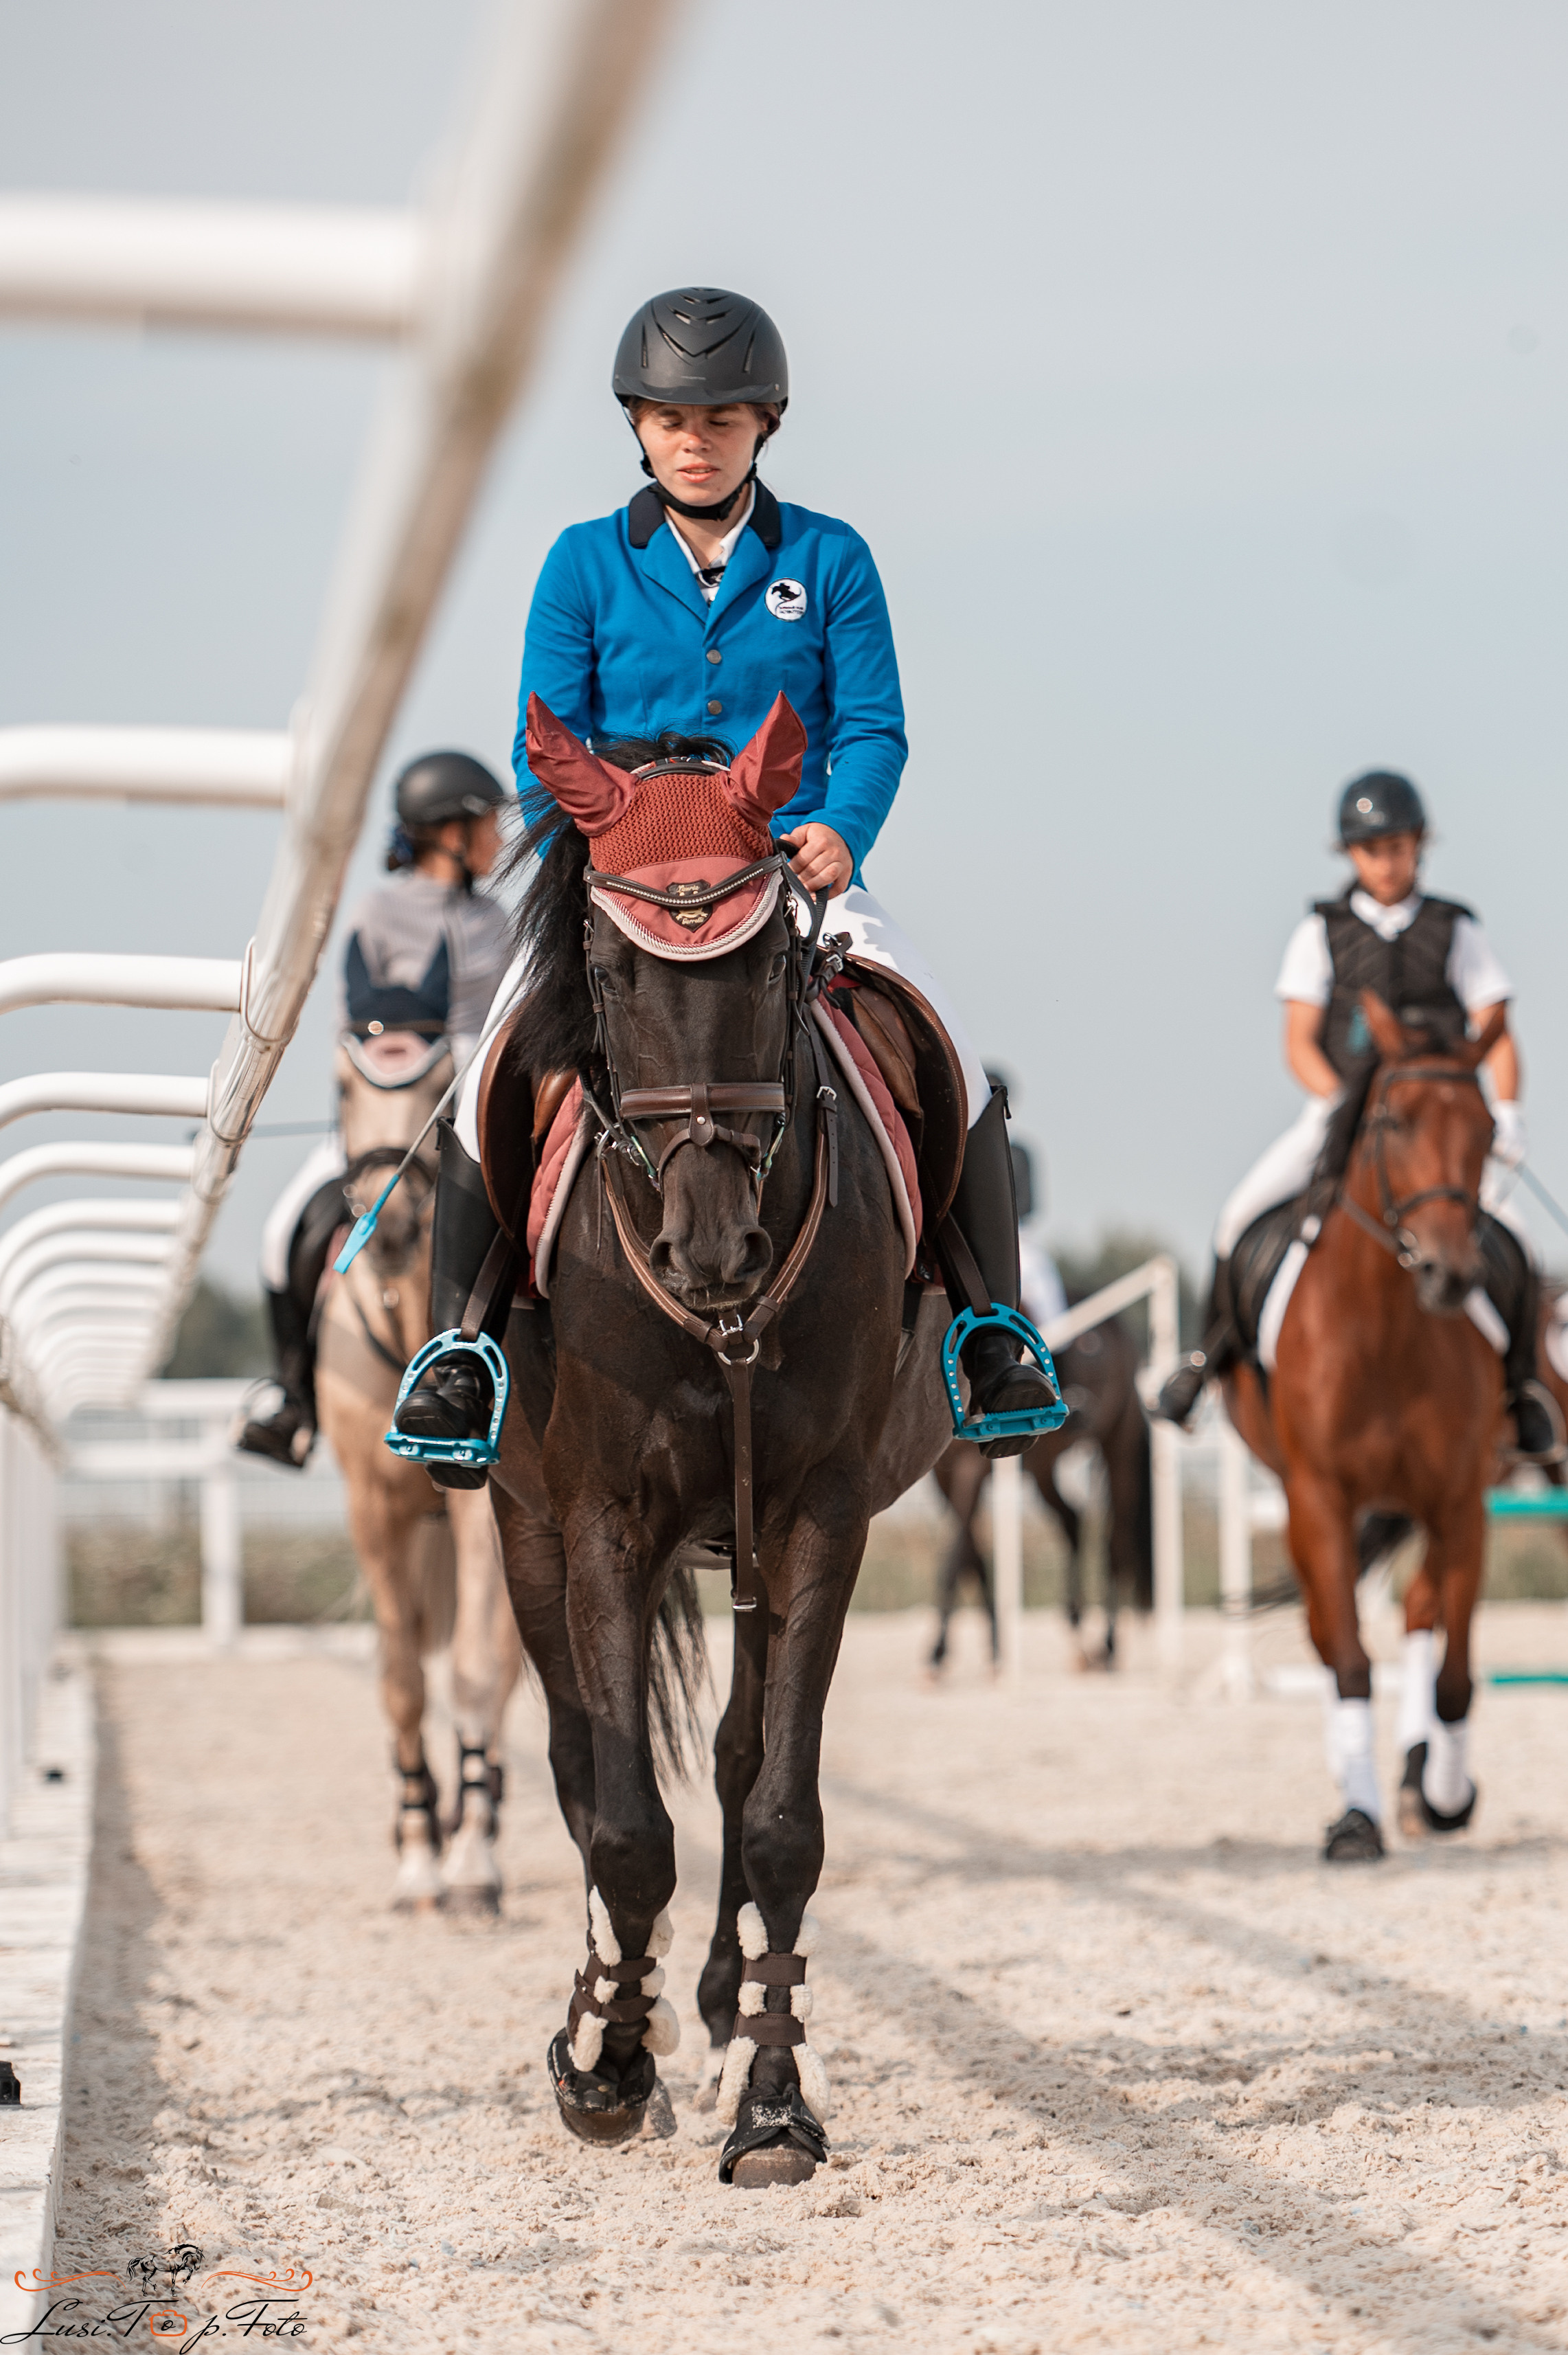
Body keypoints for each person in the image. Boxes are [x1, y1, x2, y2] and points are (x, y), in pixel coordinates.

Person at [393, 284, 1058, 1469]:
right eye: (668, 418)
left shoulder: (828, 557)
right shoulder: (582, 563)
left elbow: (872, 728)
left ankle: (986, 1330)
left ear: (765, 424)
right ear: (638, 427)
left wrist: (842, 832)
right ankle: (461, 1348)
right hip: (630, 875)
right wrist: (594, 856)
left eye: (721, 418)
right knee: (488, 1060)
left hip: (785, 867)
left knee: (941, 1042)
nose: (693, 439)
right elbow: (542, 738)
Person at [1155, 770, 1563, 1461]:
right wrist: (1334, 1102)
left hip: (1438, 1120)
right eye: (1372, 849)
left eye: (1398, 847)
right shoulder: (1321, 931)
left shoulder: (1455, 928)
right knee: (1237, 1215)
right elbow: (1299, 1039)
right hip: (1345, 1108)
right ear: (1351, 854)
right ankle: (1205, 1357)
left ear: (1418, 848)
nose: (1386, 861)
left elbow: (1497, 1025)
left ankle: (1522, 1389)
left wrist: (1510, 1112)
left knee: (1516, 1242)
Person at [238, 750, 512, 1467]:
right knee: (280, 1233)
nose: (501, 836)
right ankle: (290, 1394)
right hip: (385, 1126)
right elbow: (364, 1024)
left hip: (478, 1123)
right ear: (449, 832)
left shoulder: (499, 921)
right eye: (487, 822)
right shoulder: (378, 912)